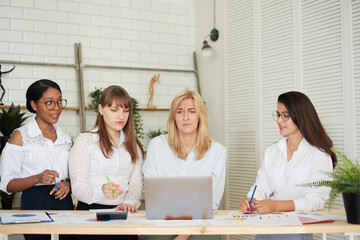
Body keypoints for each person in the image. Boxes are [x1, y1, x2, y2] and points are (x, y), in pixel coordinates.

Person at [238, 91, 337, 240]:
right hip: (267, 226)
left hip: (296, 230)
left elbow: (316, 199)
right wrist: (251, 200)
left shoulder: (319, 155)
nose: (279, 120)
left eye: (286, 115)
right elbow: (262, 185)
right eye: (278, 115)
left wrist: (276, 206)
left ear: (301, 116)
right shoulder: (272, 151)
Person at [141, 89, 226, 240]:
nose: (185, 117)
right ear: (174, 116)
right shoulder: (156, 146)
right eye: (180, 111)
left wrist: (183, 235)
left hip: (201, 223)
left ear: (200, 115)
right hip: (163, 220)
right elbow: (151, 193)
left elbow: (212, 203)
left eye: (192, 111)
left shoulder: (218, 151)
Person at [0, 79, 73, 240]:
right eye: (49, 103)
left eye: (59, 101)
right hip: (34, 204)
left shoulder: (66, 139)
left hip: (64, 204)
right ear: (34, 105)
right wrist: (37, 178)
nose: (57, 108)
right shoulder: (20, 137)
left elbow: (75, 174)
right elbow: (7, 184)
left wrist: (68, 184)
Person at [69, 85, 143, 240]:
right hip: (89, 216)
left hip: (124, 217)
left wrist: (129, 202)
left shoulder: (133, 145)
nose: (121, 116)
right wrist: (100, 191)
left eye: (126, 110)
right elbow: (77, 187)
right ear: (101, 109)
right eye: (114, 110)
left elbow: (136, 184)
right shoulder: (85, 141)